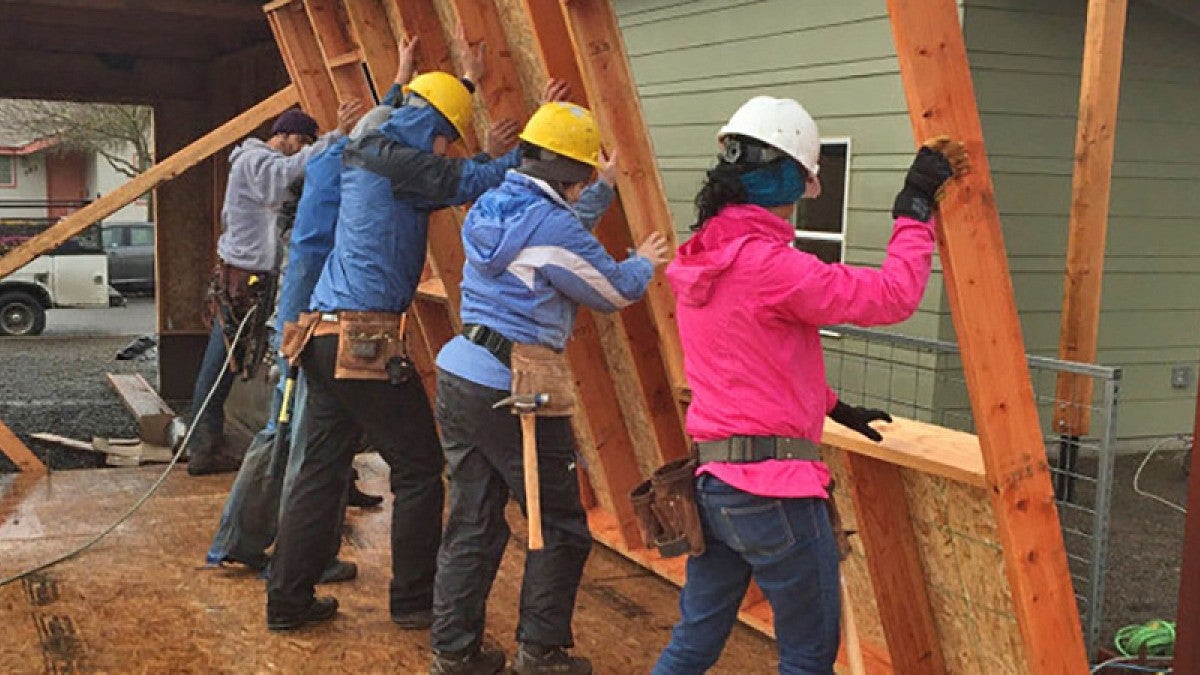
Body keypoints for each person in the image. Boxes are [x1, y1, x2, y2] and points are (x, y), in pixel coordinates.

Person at [650, 96, 968, 674]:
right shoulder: (770, 266)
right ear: (784, 179)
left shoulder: (702, 258)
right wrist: (913, 211)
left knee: (693, 643)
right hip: (774, 494)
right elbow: (894, 296)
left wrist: (832, 406)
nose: (799, 201)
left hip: (714, 487)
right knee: (807, 656)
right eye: (800, 183)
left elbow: (752, 362)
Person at [265, 28, 531, 632]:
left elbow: (429, 145)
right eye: (448, 141)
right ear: (437, 134)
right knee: (418, 467)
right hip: (363, 342)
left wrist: (460, 86)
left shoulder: (373, 146)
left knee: (319, 472)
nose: (446, 151)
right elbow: (464, 182)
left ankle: (287, 602)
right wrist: (532, 152)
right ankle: (413, 601)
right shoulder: (409, 164)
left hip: (319, 337)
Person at [428, 101, 670, 675]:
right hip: (518, 389)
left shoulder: (493, 204)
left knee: (474, 520)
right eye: (586, 174)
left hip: (461, 372)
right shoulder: (552, 225)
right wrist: (641, 263)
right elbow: (608, 291)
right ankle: (540, 653)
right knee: (558, 524)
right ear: (571, 175)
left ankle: (454, 652)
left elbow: (552, 240)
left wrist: (602, 193)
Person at [205, 38, 423, 580]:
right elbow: (369, 134)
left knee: (313, 445)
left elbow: (372, 129)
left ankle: (286, 555)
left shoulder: (327, 177)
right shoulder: (323, 168)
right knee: (292, 443)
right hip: (305, 329)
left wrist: (397, 78)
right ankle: (262, 550)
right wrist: (344, 127)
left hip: (304, 325)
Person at [185, 100, 362, 475]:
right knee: (221, 364)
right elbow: (284, 176)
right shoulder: (254, 162)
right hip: (242, 283)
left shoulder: (259, 165)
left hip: (251, 281)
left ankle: (207, 443)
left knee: (228, 363)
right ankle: (204, 446)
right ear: (284, 136)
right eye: (300, 142)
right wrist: (335, 138)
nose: (301, 150)